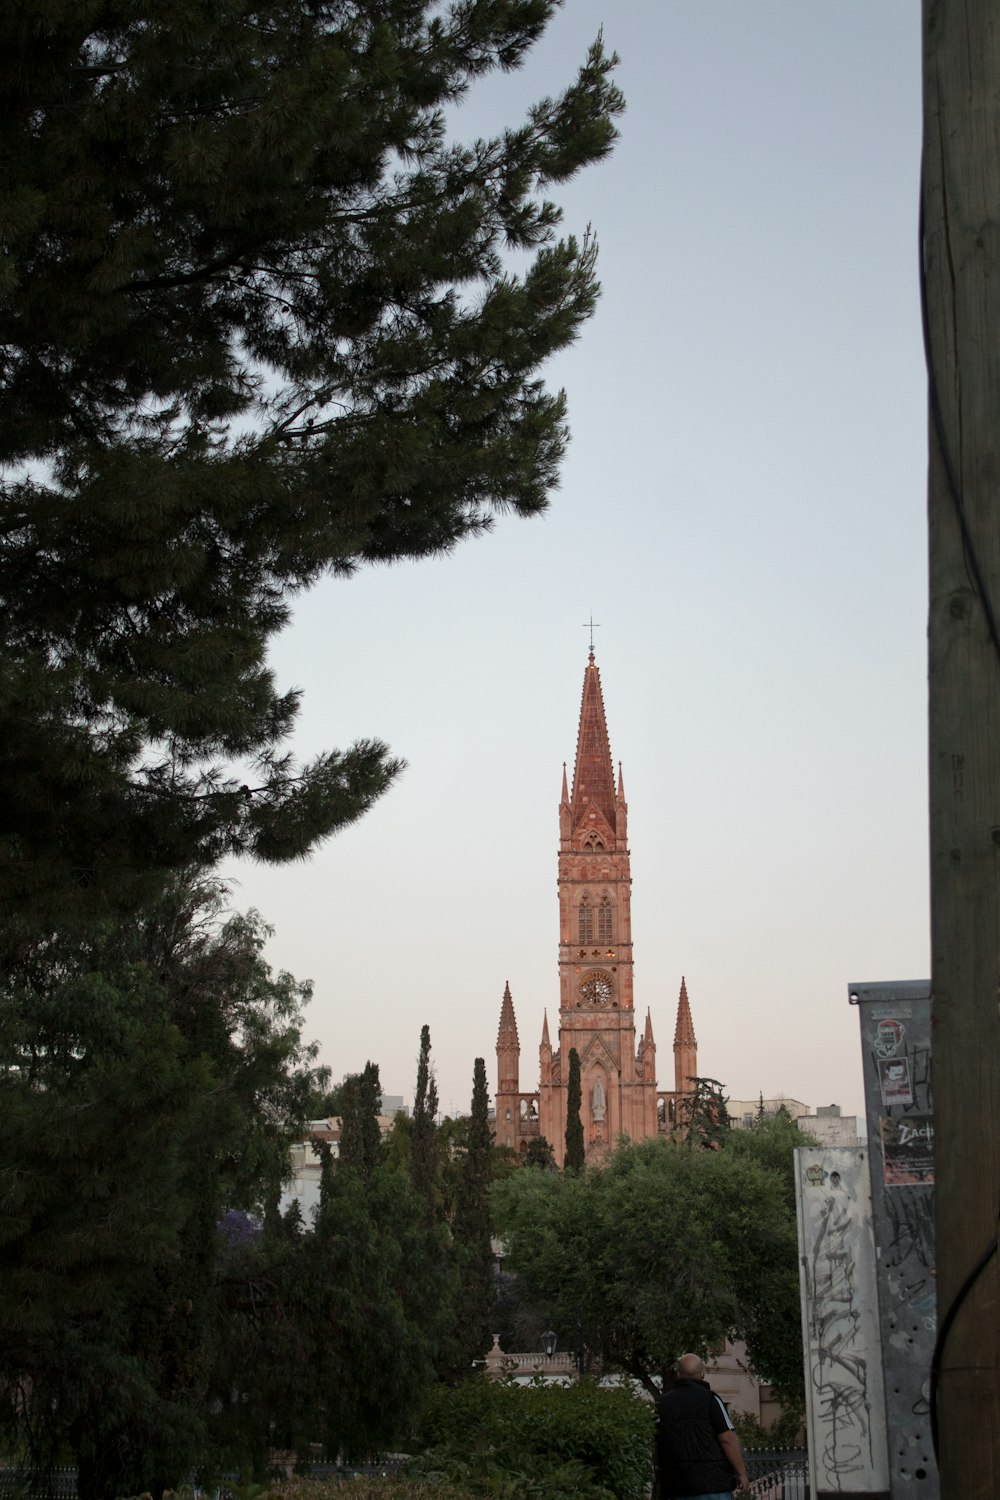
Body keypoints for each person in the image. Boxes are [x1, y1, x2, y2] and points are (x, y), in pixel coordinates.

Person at [654, 1353, 751, 1499]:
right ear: (702, 1374)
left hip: (676, 1486)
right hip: (713, 1485)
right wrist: (741, 1473)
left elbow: (657, 1444)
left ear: (678, 1373)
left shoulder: (661, 1404)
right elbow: (727, 1439)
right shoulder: (711, 1400)